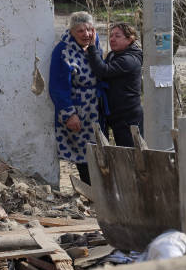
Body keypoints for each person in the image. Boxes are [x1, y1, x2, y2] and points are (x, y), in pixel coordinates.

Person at [49, 12, 106, 185]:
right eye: (81, 31)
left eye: (89, 30)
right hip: (79, 111)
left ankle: (99, 193)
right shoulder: (63, 50)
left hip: (97, 110)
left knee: (99, 152)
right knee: (84, 155)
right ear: (72, 31)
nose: (86, 34)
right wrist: (69, 114)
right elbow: (58, 86)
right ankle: (91, 193)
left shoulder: (94, 45)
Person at [86, 22, 143, 147]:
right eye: (111, 35)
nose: (112, 39)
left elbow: (103, 71)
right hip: (116, 117)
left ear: (130, 39)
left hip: (129, 119)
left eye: (117, 36)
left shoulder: (130, 59)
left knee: (132, 157)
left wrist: (91, 47)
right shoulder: (114, 55)